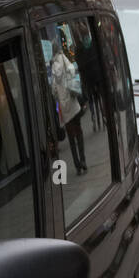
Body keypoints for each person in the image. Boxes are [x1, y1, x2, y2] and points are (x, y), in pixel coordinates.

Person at [50, 33, 87, 174]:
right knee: (79, 131)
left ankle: (77, 165)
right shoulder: (63, 58)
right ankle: (83, 160)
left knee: (71, 136)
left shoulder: (53, 65)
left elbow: (53, 90)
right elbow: (72, 70)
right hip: (72, 102)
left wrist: (59, 91)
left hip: (64, 108)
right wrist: (69, 81)